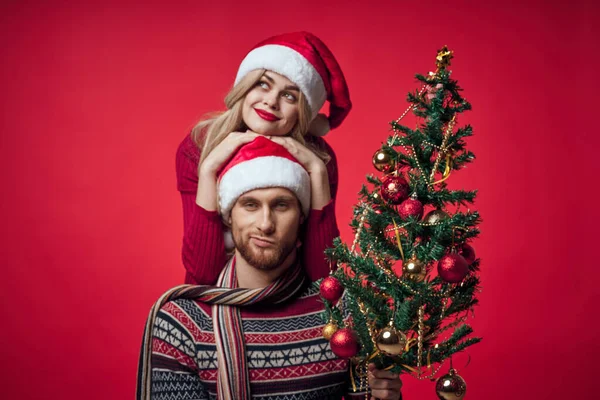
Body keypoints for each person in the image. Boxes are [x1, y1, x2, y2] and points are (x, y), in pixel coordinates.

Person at [139, 137, 403, 400]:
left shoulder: (344, 313)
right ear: (229, 216)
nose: (265, 224)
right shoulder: (183, 322)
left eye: (281, 205)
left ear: (301, 216)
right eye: (250, 205)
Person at [176, 31, 351, 286]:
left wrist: (317, 171)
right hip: (217, 306)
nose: (271, 102)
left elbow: (323, 278)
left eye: (289, 96)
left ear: (304, 112)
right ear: (245, 86)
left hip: (291, 300)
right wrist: (208, 171)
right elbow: (202, 274)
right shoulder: (199, 146)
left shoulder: (320, 159)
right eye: (263, 84)